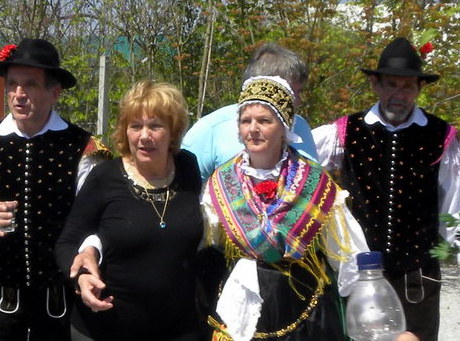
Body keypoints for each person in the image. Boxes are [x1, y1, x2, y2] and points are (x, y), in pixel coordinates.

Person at [0, 38, 109, 341]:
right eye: (12, 84)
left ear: (54, 92)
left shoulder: (80, 146)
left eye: (30, 84)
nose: (19, 94)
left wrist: (86, 264)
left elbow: (95, 219)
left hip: (60, 292)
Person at [313, 37, 460, 341]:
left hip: (417, 276)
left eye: (407, 86)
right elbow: (299, 162)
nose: (399, 94)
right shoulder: (346, 132)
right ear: (375, 85)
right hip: (360, 274)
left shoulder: (439, 136)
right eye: (391, 85)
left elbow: (453, 207)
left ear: (419, 88)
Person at [202, 75, 369, 340]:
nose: (253, 129)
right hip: (240, 306)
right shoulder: (222, 182)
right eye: (246, 121)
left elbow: (347, 254)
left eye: (264, 121)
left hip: (303, 308)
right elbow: (207, 244)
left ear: (284, 126)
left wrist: (365, 303)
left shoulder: (315, 182)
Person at [55, 80, 203, 341]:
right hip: (107, 327)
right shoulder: (105, 177)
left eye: (155, 126)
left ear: (173, 131)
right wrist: (81, 277)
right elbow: (67, 242)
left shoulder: (187, 168)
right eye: (135, 126)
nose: (144, 136)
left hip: (179, 327)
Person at [182, 43, 317, 182]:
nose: (299, 100)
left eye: (265, 121)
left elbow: (315, 182)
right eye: (294, 92)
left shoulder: (301, 126)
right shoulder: (211, 128)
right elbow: (183, 186)